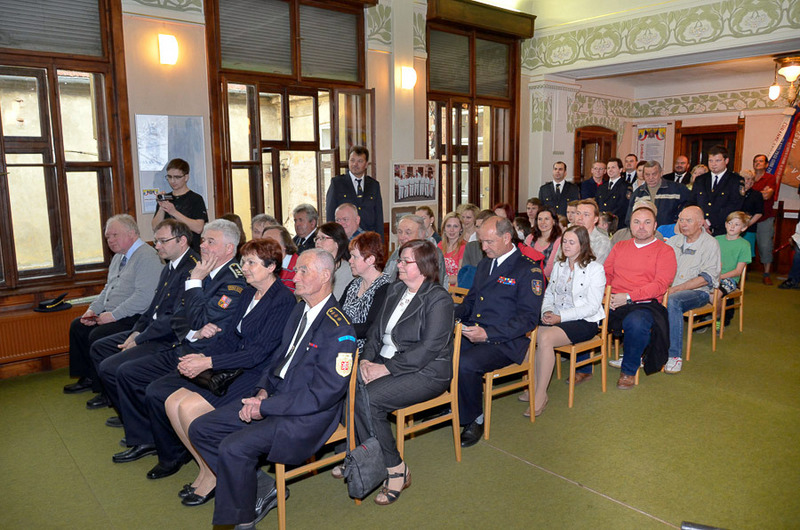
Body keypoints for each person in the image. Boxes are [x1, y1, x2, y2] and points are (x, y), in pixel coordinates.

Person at [188, 249, 356, 528]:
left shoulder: (339, 328)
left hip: (307, 415)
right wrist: (263, 390)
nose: (294, 277)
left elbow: (323, 394)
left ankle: (242, 520)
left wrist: (265, 407)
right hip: (276, 398)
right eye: (296, 270)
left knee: (233, 447)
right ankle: (257, 487)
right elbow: (279, 357)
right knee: (201, 429)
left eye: (303, 271)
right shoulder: (299, 309)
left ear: (326, 276)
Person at [143, 238, 296, 500]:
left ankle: (214, 475)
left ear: (271, 267)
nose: (244, 268)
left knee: (188, 409)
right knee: (172, 403)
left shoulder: (283, 300)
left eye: (251, 263)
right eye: (243, 261)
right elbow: (229, 337)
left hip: (257, 373)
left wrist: (208, 363)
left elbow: (258, 354)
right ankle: (206, 469)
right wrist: (202, 355)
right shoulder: (248, 292)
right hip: (235, 365)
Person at [109, 219, 248, 466]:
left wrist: (194, 282)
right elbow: (181, 316)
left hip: (205, 354)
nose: (202, 246)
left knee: (154, 390)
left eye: (211, 242)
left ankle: (172, 454)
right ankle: (147, 439)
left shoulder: (233, 280)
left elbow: (204, 320)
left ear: (229, 249)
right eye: (203, 240)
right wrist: (195, 330)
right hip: (187, 342)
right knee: (128, 373)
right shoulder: (204, 270)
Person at [347, 239, 454, 505]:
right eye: (400, 260)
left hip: (427, 373)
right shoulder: (395, 289)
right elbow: (375, 333)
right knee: (342, 386)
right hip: (386, 363)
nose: (399, 265)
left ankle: (396, 469)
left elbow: (428, 349)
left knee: (368, 399)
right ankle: (363, 456)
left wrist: (385, 368)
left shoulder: (438, 299)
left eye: (406, 261)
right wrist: (365, 361)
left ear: (425, 266)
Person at [87, 220, 198, 413]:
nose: (157, 246)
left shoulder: (192, 270)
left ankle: (138, 417)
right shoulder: (169, 267)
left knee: (115, 368)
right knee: (100, 348)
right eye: (156, 241)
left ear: (182, 241)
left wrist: (139, 339)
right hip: (152, 330)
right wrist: (136, 331)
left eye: (163, 241)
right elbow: (153, 307)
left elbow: (173, 320)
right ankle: (126, 410)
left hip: (169, 338)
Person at [455, 216, 543, 447]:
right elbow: (471, 301)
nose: (484, 247)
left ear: (506, 238)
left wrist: (488, 334)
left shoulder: (528, 270)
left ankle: (474, 418)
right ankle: (454, 402)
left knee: (465, 363)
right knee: (441, 352)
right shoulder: (485, 264)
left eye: (489, 242)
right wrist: (450, 315)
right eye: (482, 242)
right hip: (475, 331)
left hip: (505, 341)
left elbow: (528, 319)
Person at [64, 214, 162, 396]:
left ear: (132, 233)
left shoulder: (148, 257)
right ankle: (88, 377)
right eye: (108, 236)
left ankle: (104, 389)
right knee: (78, 326)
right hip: (114, 313)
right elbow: (108, 288)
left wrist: (113, 315)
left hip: (136, 317)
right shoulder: (118, 257)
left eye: (114, 235)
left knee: (97, 334)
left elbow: (144, 297)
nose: (110, 240)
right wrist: (92, 310)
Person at [527, 226, 605, 416]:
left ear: (582, 245)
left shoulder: (595, 269)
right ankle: (533, 385)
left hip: (584, 321)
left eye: (572, 242)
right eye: (564, 242)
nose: (566, 246)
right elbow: (549, 294)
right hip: (557, 316)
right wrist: (547, 311)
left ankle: (540, 394)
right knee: (527, 330)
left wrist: (560, 317)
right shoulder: (559, 266)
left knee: (544, 338)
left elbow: (592, 307)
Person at [604, 201, 676, 389]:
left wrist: (627, 297)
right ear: (630, 225)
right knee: (583, 314)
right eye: (636, 222)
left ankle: (628, 370)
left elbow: (660, 285)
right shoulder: (620, 246)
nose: (641, 227)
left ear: (655, 225)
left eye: (647, 222)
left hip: (645, 304)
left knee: (636, 323)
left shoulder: (665, 251)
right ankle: (583, 367)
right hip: (613, 300)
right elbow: (606, 274)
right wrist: (607, 296)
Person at [664, 206, 721, 374]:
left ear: (701, 222)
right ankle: (643, 352)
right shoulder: (673, 241)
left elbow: (706, 278)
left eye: (688, 220)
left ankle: (674, 356)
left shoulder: (710, 244)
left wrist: (675, 289)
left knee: (673, 301)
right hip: (671, 288)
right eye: (681, 220)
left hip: (698, 292)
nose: (683, 224)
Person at [339, 231, 392, 351]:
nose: (350, 261)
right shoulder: (354, 284)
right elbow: (338, 312)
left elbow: (370, 327)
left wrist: (340, 329)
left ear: (370, 260)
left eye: (354, 256)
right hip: (345, 345)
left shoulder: (385, 287)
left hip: (368, 352)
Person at [151, 158, 208, 251]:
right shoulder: (166, 198)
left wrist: (174, 212)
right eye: (169, 177)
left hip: (190, 250)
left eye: (177, 177)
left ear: (186, 177)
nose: (172, 181)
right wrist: (162, 207)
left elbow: (198, 228)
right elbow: (155, 227)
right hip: (167, 251)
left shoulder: (196, 199)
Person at [326, 145, 383, 235]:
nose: (355, 164)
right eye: (352, 160)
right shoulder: (337, 183)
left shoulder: (374, 185)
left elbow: (379, 216)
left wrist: (380, 240)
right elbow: (330, 214)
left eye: (360, 161)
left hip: (368, 236)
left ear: (366, 164)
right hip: (345, 237)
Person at [690, 145, 745, 235]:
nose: (713, 164)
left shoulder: (735, 180)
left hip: (723, 230)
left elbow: (735, 206)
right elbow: (692, 202)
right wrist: (700, 221)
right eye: (710, 161)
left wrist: (709, 223)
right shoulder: (701, 179)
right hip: (699, 228)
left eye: (717, 161)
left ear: (726, 161)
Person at [626, 160, 690, 237]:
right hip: (645, 235)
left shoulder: (677, 189)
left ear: (661, 173)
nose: (651, 178)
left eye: (654, 174)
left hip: (670, 235)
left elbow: (689, 207)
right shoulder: (638, 193)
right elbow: (629, 218)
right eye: (647, 174)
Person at [385, 215, 448, 287]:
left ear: (422, 234)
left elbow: (434, 286)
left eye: (408, 233)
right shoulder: (397, 252)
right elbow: (387, 278)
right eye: (400, 232)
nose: (402, 237)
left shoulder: (433, 253)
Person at [714, 211, 752, 327]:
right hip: (714, 274)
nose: (732, 226)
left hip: (730, 279)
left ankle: (717, 317)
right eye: (730, 223)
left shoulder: (744, 245)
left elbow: (738, 271)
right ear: (726, 224)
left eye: (737, 224)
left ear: (743, 228)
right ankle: (705, 314)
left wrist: (720, 277)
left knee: (715, 294)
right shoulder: (716, 240)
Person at [750, 154, 778, 285]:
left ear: (766, 164)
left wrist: (752, 194)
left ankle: (766, 274)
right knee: (746, 245)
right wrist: (761, 192)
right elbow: (742, 193)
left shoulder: (770, 178)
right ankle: (742, 272)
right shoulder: (749, 177)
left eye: (760, 161)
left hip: (765, 218)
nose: (757, 163)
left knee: (765, 246)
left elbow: (767, 196)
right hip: (749, 218)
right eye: (755, 161)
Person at [315, 222, 354, 299]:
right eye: (316, 238)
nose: (317, 242)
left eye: (323, 238)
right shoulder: (316, 268)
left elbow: (336, 299)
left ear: (337, 243)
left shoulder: (348, 270)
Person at [524, 206, 562, 279]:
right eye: (540, 219)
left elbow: (549, 269)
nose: (542, 222)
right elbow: (523, 260)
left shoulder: (558, 240)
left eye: (546, 219)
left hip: (546, 279)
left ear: (554, 221)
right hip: (527, 276)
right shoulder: (530, 238)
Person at [262, 225, 299, 292]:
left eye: (269, 241)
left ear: (285, 245)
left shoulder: (298, 267)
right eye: (262, 242)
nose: (262, 246)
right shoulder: (263, 265)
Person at [575, 199, 612, 264]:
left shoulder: (602, 242)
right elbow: (558, 262)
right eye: (578, 213)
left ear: (595, 219)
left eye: (586, 215)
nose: (580, 218)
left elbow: (592, 267)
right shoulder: (568, 237)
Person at [596, 157, 629, 228]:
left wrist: (607, 219)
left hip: (616, 224)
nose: (610, 170)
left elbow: (622, 207)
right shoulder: (602, 187)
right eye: (608, 168)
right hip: (601, 224)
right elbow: (598, 204)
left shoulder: (625, 186)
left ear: (620, 170)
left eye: (613, 167)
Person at [738, 170, 764, 259]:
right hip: (733, 228)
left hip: (749, 229)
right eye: (747, 179)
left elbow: (759, 213)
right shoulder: (734, 192)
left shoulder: (757, 195)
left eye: (752, 179)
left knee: (746, 255)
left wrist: (747, 225)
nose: (750, 181)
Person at [439, 212, 466, 286]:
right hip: (440, 288)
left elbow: (460, 277)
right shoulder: (440, 246)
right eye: (448, 226)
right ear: (444, 229)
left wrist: (440, 279)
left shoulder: (464, 247)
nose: (451, 230)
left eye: (455, 226)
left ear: (461, 229)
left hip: (456, 289)